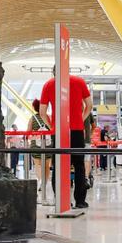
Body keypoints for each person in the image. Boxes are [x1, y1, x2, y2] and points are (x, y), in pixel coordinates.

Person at [40, 68, 93, 209]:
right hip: (76, 130)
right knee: (79, 165)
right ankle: (80, 201)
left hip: (58, 130)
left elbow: (42, 112)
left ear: (53, 72)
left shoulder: (48, 84)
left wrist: (51, 125)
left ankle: (62, 200)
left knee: (58, 165)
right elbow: (89, 105)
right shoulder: (79, 81)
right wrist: (81, 119)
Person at [27, 99, 53, 194]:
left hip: (36, 145)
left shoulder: (33, 118)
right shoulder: (48, 117)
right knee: (46, 166)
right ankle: (44, 183)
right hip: (48, 144)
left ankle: (40, 180)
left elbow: (28, 131)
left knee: (38, 164)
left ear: (34, 107)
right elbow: (52, 129)